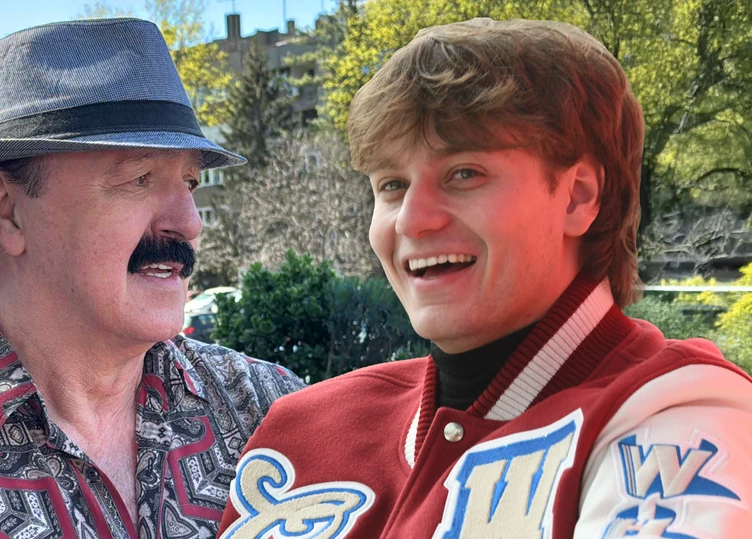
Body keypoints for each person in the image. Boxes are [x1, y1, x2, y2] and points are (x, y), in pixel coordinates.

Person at [217, 18, 752, 539]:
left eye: (464, 174)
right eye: (392, 184)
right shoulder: (301, 429)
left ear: (578, 196)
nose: (412, 221)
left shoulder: (680, 414)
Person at [0, 18, 304, 538]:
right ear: (5, 208)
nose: (189, 223)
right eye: (139, 178)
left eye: (190, 182)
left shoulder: (269, 411)